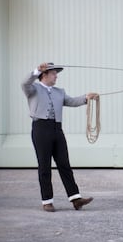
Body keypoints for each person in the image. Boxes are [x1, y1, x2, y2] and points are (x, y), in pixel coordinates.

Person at [21, 62, 99, 212]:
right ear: (44, 75)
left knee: (64, 164)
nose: (56, 76)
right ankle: (47, 201)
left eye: (56, 73)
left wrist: (86, 98)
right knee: (44, 166)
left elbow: (72, 101)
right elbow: (25, 83)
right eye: (54, 73)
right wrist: (37, 70)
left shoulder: (59, 92)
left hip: (57, 129)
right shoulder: (33, 89)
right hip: (41, 128)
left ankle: (76, 199)